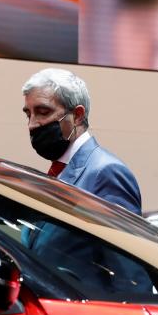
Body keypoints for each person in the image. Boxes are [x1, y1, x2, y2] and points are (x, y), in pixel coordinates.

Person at [22, 68, 142, 214]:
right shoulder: (58, 169)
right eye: (29, 115)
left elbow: (122, 236)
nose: (32, 124)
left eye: (43, 112)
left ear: (77, 116)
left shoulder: (107, 172)